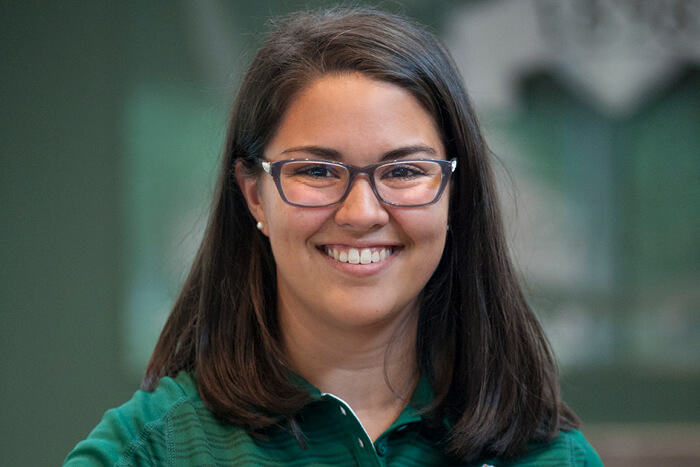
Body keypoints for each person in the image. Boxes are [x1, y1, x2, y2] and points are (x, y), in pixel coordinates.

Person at [65, 6, 603, 466]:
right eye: (317, 172)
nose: (362, 212)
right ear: (254, 194)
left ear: (453, 196)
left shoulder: (549, 455)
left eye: (405, 171)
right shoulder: (152, 451)